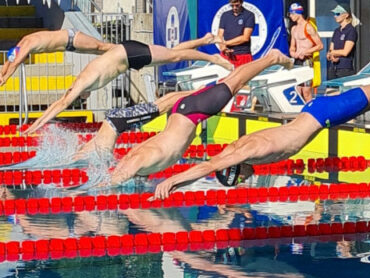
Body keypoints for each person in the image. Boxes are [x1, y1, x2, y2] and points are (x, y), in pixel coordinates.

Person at [152, 57, 370, 200]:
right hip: (314, 114)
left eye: (237, 180)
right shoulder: (242, 148)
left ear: (234, 171)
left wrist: (175, 182)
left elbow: (209, 164)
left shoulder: (246, 152)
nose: (244, 180)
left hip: (321, 114)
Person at [101, 50, 294, 185]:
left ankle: (272, 58)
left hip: (191, 113)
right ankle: (271, 59)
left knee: (236, 81)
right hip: (181, 112)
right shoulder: (137, 158)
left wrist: (102, 188)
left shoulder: (136, 160)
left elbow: (117, 180)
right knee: (232, 81)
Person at [25, 34, 230, 135]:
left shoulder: (82, 83)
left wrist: (36, 124)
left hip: (129, 54)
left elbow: (61, 103)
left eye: (82, 99)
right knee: (172, 53)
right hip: (128, 56)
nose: (85, 99)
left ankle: (213, 58)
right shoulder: (85, 83)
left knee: (175, 56)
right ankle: (204, 40)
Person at [0, 29, 114, 89]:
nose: (25, 59)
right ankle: (120, 52)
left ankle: (123, 48)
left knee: (101, 46)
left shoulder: (27, 44)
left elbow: (15, 62)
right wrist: (2, 73)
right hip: (70, 46)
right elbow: (9, 61)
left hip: (72, 38)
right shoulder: (22, 42)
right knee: (101, 52)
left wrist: (5, 79)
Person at [288, 3, 323, 101]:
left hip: (307, 62)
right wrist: (293, 54)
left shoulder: (308, 27)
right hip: (297, 61)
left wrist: (306, 51)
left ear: (297, 13)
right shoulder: (294, 29)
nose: (290, 17)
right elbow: (292, 47)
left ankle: (311, 112)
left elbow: (320, 45)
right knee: (298, 90)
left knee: (306, 91)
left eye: (291, 14)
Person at [217, 0, 256, 67]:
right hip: (227, 55)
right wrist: (223, 47)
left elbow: (245, 38)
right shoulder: (225, 15)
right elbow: (219, 35)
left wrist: (225, 43)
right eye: (232, 5)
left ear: (241, 3)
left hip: (242, 54)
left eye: (237, 5)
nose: (234, 8)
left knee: (244, 78)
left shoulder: (249, 15)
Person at [327, 5, 357, 79]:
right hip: (333, 67)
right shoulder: (336, 31)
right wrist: (331, 56)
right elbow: (331, 49)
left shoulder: (351, 30)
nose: (335, 16)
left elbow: (345, 52)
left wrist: (332, 53)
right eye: (334, 14)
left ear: (346, 15)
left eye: (337, 14)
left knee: (344, 90)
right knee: (331, 90)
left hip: (345, 69)